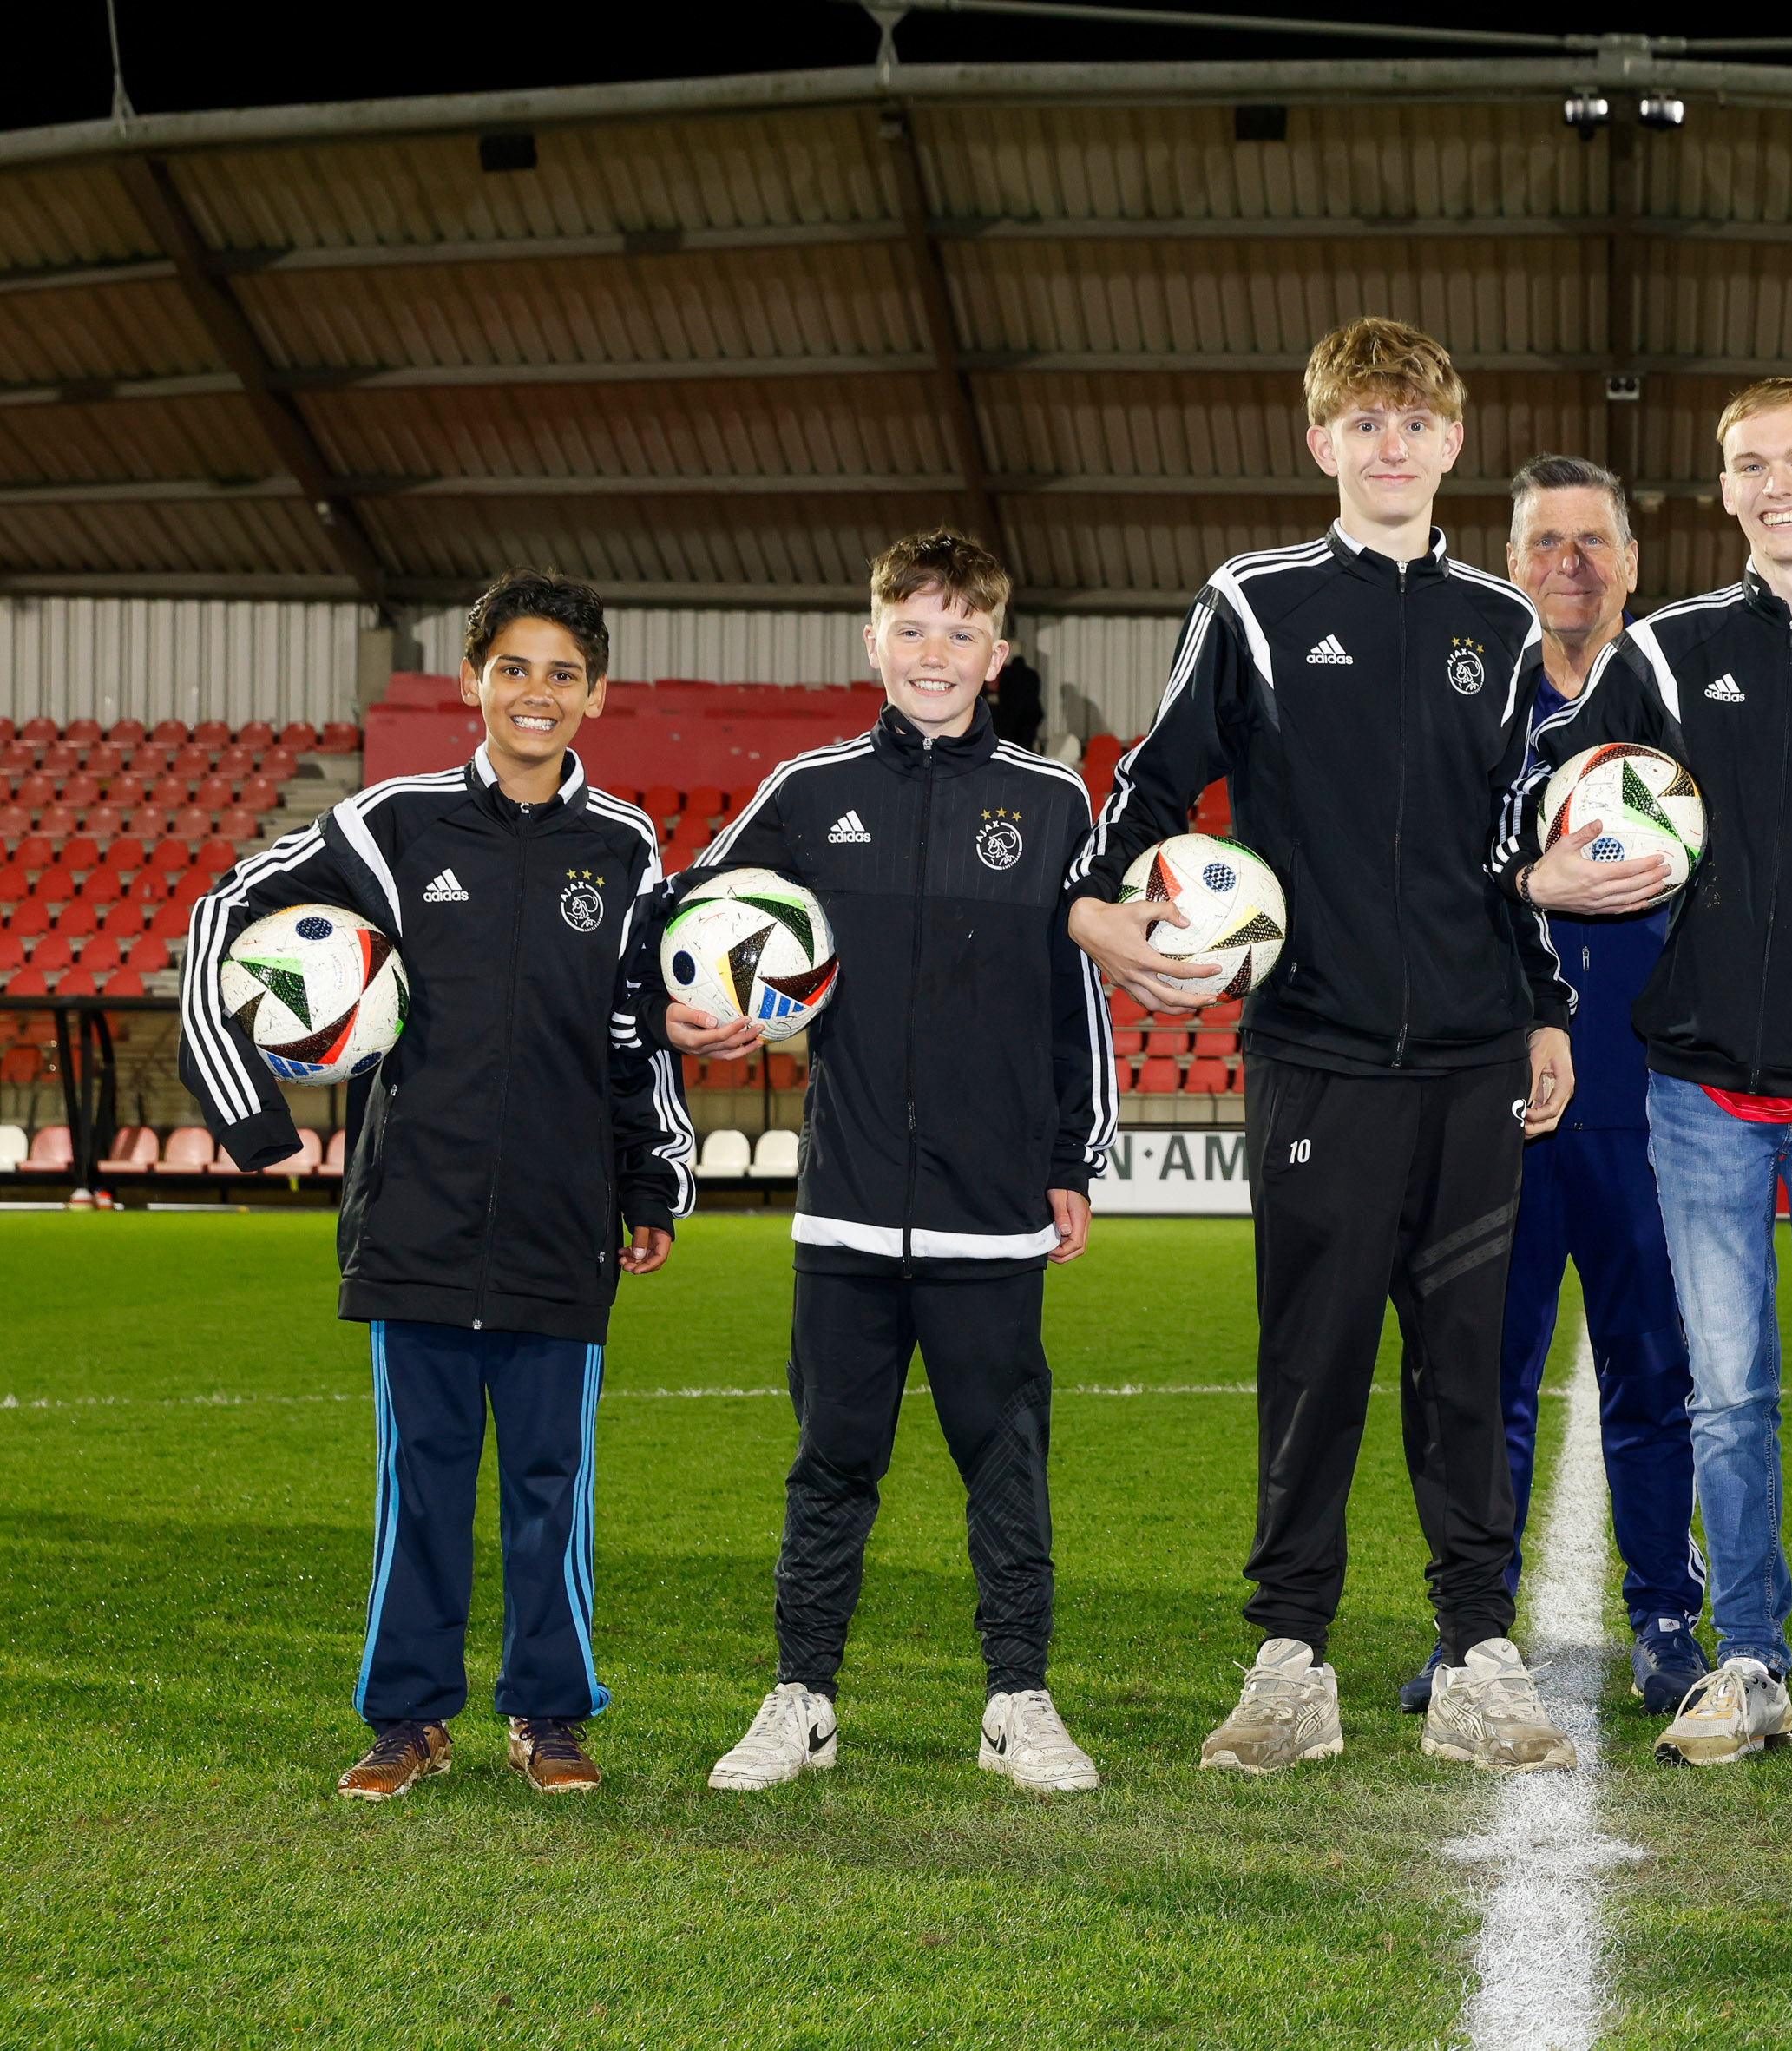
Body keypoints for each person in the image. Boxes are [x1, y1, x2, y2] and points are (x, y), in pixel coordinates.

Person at [1068, 319, 1581, 1778]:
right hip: (1317, 1050)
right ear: (1321, 444)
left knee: (1469, 1367)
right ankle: (1291, 1658)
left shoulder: (1500, 622)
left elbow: (1510, 839)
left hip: (1478, 1056)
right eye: (1363, 422)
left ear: (1453, 442)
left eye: (1414, 421)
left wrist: (1544, 1005)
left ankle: (1477, 1651)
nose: (1391, 445)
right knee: (1313, 1361)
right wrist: (1099, 910)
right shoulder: (1255, 602)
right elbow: (1159, 771)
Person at [1508, 378, 1792, 1790]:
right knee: (1723, 1395)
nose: (1780, 485)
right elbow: (1558, 812)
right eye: (1753, 465)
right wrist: (1543, 873)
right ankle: (1755, 1661)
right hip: (1696, 1089)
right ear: (1724, 491)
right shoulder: (1661, 651)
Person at [178, 569, 694, 1801]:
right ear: (472, 681)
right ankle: (407, 1720)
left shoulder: (624, 847)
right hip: (415, 1218)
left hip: (562, 1227)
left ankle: (550, 1715)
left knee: (548, 1491)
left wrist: (650, 1184)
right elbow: (223, 917)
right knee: (420, 1485)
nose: (536, 693)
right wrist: (251, 1119)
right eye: (512, 668)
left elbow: (636, 1036)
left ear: (597, 695)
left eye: (562, 674)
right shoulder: (391, 824)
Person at [681, 529, 1118, 1798]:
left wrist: (1070, 1157)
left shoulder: (1049, 801)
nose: (935, 655)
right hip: (851, 1209)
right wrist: (719, 997)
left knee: (1007, 1462)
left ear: (998, 651)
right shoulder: (809, 792)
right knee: (832, 1462)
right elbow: (697, 907)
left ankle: (1017, 1700)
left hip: (992, 1213)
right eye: (911, 630)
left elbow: (1069, 995)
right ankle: (800, 1697)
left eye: (960, 632)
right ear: (872, 642)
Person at [1395, 454, 1710, 1722]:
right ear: (1512, 560)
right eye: (1543, 543)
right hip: (1501, 1092)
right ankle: (1473, 1630)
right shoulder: (1471, 707)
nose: (1568, 564)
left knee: (1654, 1370)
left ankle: (1668, 1619)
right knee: (1487, 1372)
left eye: (1593, 541)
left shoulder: (1687, 702)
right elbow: (1413, 868)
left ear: (1632, 561)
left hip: (1652, 1096)